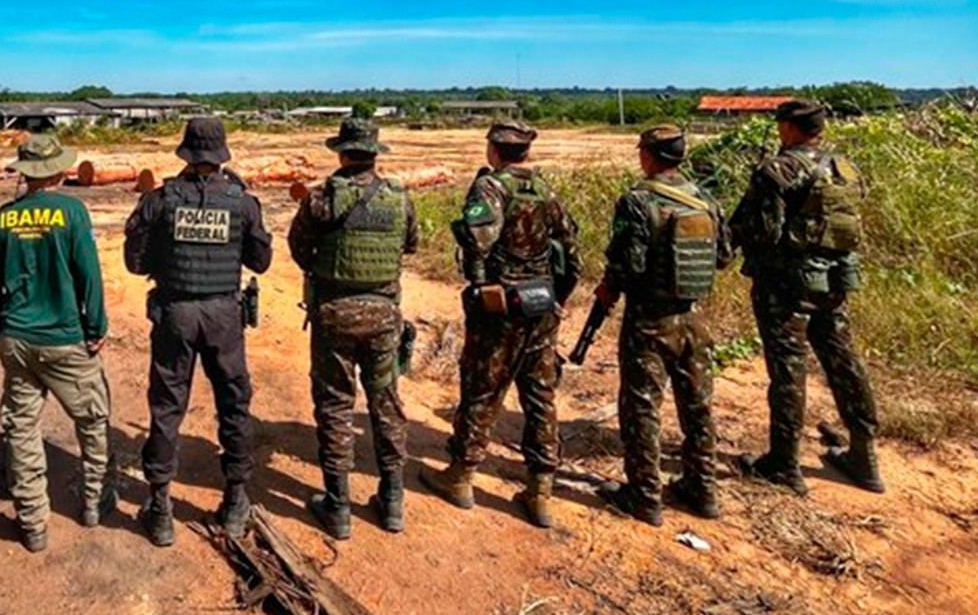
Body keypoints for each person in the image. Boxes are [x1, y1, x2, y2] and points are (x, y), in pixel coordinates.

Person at [420, 122, 580, 529]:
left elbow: (478, 240)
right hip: (541, 306)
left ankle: (461, 475)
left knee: (482, 388)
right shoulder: (547, 189)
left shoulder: (491, 189)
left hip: (502, 307)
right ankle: (540, 489)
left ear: (494, 149)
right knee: (540, 395)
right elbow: (571, 252)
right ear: (524, 152)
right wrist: (556, 298)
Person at [124, 117, 273, 546]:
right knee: (234, 403)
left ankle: (162, 507)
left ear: (186, 152)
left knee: (168, 405)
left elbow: (135, 263)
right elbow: (260, 262)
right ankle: (236, 500)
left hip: (175, 313)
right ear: (222, 153)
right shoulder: (243, 202)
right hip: (224, 315)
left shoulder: (160, 200)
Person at [730, 100, 884, 495]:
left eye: (781, 125)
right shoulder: (846, 168)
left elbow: (762, 230)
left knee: (788, 369)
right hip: (835, 282)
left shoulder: (777, 169)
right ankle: (865, 455)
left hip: (787, 285)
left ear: (791, 128)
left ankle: (783, 462)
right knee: (844, 362)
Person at [593, 125, 733, 526]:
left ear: (649, 155)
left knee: (641, 406)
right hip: (695, 317)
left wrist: (609, 289)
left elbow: (628, 264)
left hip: (649, 320)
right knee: (698, 405)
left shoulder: (638, 201)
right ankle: (703, 490)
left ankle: (644, 496)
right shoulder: (705, 199)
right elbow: (723, 257)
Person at [287, 118, 418, 540]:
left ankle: (338, 506)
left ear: (342, 153)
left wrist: (324, 271)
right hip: (383, 315)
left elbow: (297, 246)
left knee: (335, 404)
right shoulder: (399, 198)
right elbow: (410, 245)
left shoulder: (322, 197)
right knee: (386, 402)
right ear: (375, 154)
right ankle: (393, 500)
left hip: (334, 314)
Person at [0, 133, 111, 554]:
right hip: (64, 338)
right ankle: (93, 501)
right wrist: (96, 327)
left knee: (22, 428)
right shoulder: (73, 212)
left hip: (17, 338)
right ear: (59, 170)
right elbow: (88, 274)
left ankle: (32, 522)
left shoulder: (3, 217)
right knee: (92, 419)